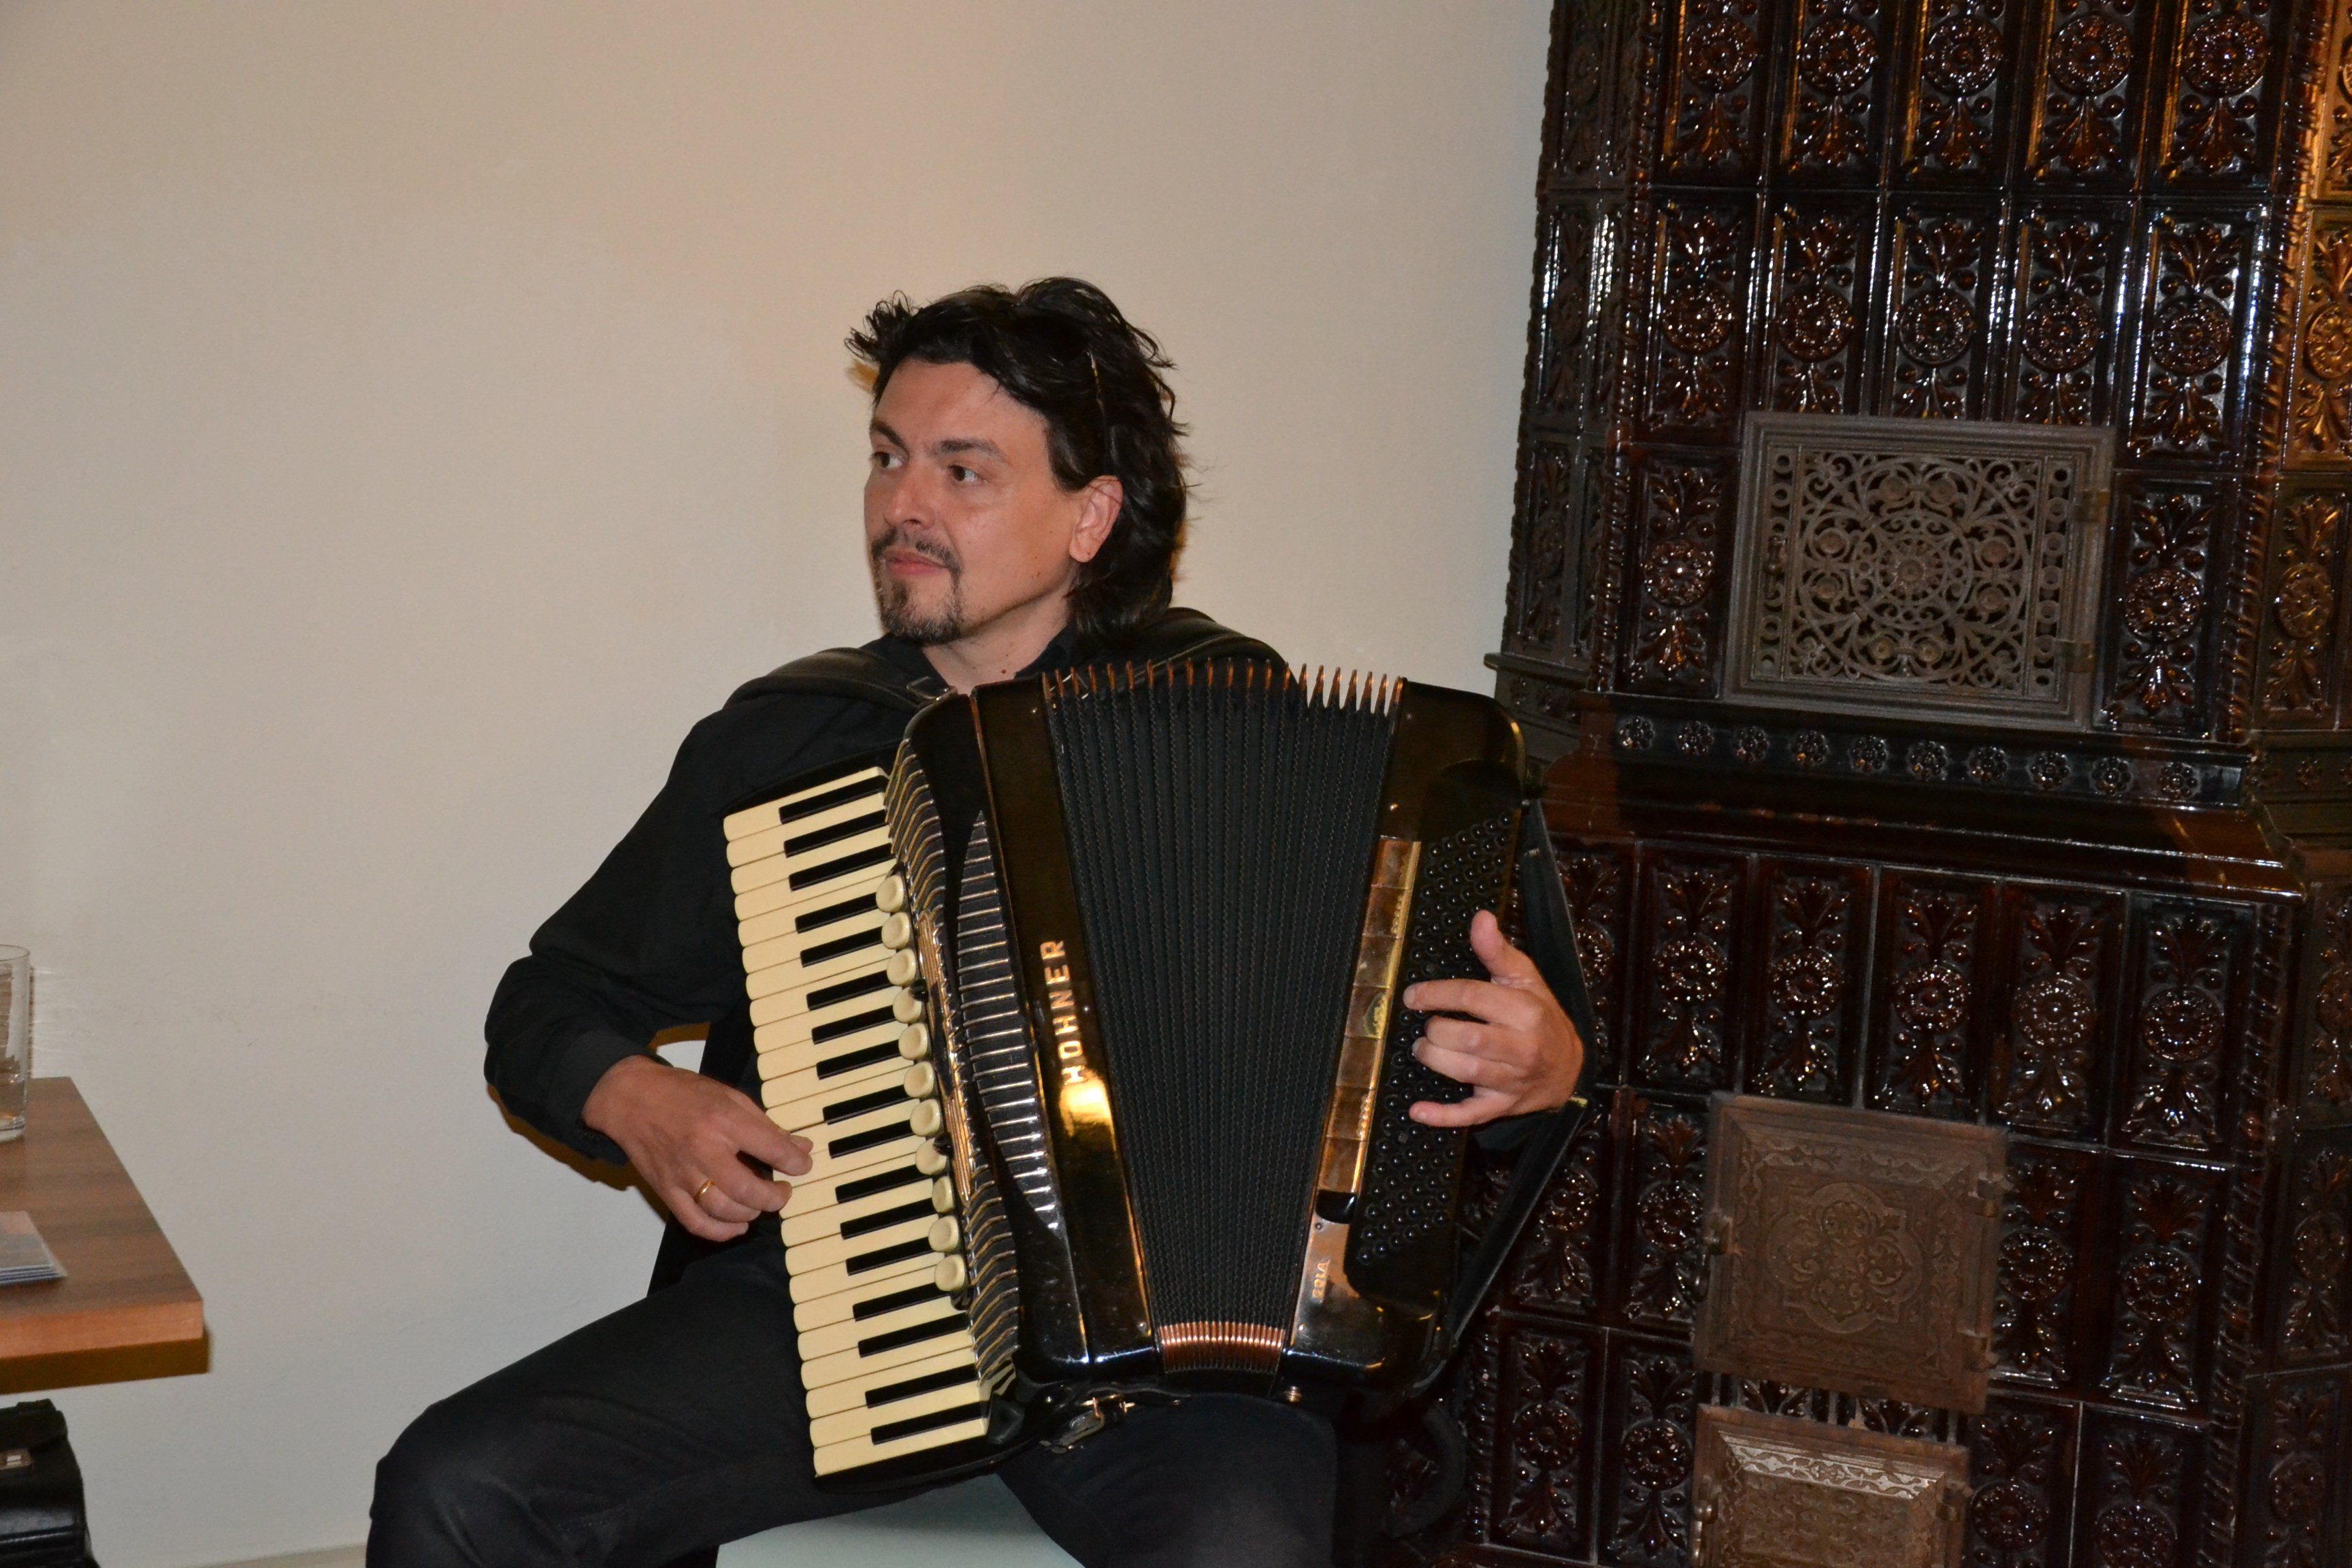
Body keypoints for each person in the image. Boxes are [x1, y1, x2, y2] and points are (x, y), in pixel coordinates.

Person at [368, 278, 1585, 1568]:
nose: (904, 505)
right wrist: (636, 1096)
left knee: (1241, 1544)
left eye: (963, 471)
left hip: (1168, 1379)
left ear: (1091, 516)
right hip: (843, 1313)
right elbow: (547, 1004)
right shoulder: (793, 744)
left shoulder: (1248, 722)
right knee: (456, 1484)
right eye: (888, 457)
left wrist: (1540, 1069)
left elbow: (1445, 1055)